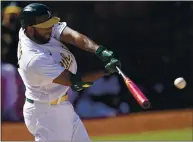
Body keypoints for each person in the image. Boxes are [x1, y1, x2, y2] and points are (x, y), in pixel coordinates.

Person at [17, 3, 121, 141]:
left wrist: (99, 51)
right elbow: (74, 81)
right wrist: (105, 71)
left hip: (61, 107)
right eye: (44, 27)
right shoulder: (33, 59)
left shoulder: (34, 32)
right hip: (46, 114)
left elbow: (73, 36)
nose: (49, 28)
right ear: (29, 29)